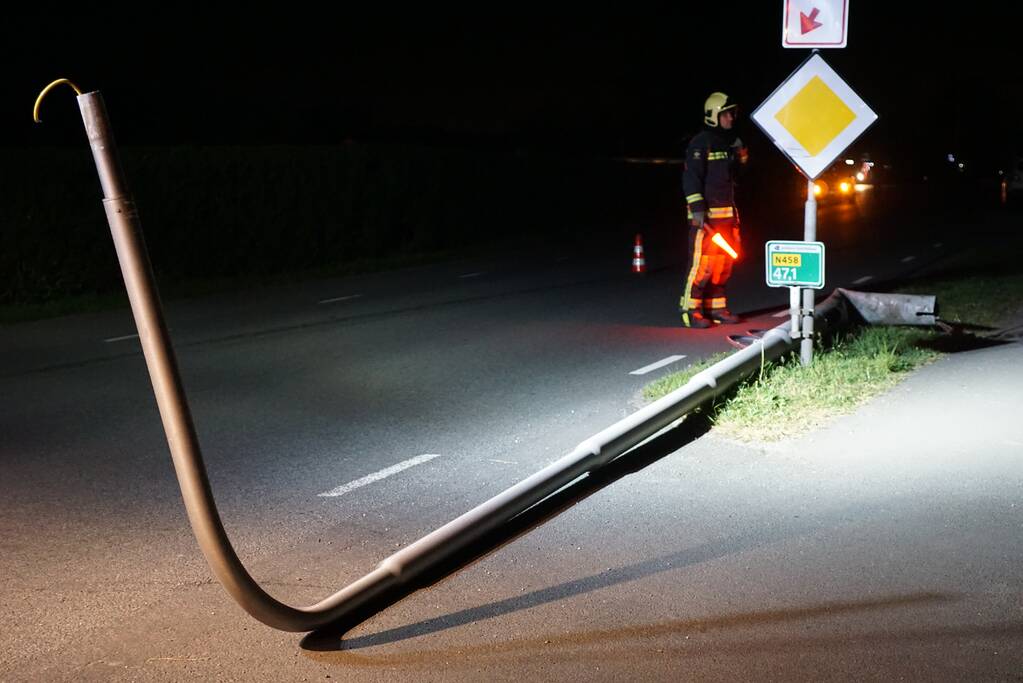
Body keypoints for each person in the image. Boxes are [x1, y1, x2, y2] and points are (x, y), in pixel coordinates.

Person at [679, 92, 748, 328]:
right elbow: (691, 177)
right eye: (726, 114)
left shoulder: (728, 143)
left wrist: (740, 156)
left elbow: (735, 179)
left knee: (722, 268)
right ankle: (690, 311)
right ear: (714, 116)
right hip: (707, 220)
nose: (731, 118)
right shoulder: (701, 142)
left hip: (727, 219)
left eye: (732, 113)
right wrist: (697, 209)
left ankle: (716, 308)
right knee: (702, 267)